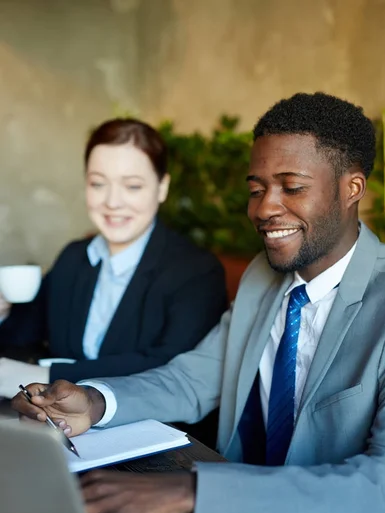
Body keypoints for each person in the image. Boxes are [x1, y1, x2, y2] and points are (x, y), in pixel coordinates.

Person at [13, 93, 385, 513]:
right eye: (256, 189)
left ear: (352, 188)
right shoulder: (264, 276)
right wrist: (95, 401)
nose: (263, 209)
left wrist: (195, 493)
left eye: (291, 187)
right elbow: (194, 378)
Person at [0, 118, 227, 398]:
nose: (112, 202)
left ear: (162, 187)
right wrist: (3, 312)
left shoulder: (197, 272)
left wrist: (50, 376)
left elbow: (171, 368)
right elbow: (21, 336)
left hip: (153, 432)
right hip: (55, 426)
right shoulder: (74, 257)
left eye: (132, 186)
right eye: (98, 184)